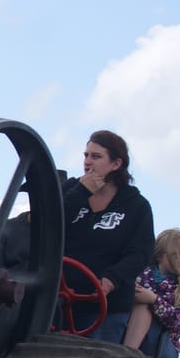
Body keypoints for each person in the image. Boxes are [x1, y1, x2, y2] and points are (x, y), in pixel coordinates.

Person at [62, 130, 155, 342]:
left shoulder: (137, 206)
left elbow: (140, 253)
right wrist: (81, 192)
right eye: (86, 155)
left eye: (96, 156)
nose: (87, 162)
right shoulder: (70, 191)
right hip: (59, 299)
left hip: (106, 309)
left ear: (116, 164)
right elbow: (48, 222)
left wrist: (112, 279)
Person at [122, 228, 180, 358]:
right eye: (175, 255)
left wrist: (154, 300)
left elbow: (179, 323)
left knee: (143, 308)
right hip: (127, 327)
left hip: (164, 344)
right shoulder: (140, 274)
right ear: (159, 256)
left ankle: (124, 357)